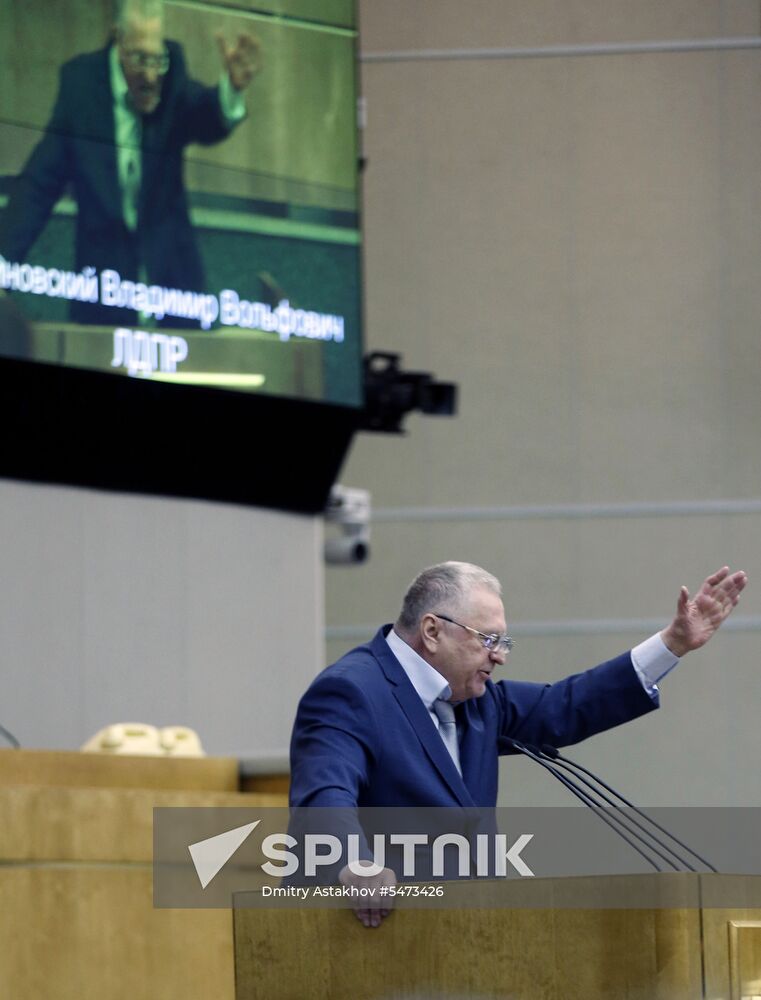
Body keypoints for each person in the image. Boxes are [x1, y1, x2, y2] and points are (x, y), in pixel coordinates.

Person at [289, 561, 747, 927]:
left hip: (475, 939)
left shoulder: (477, 700)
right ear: (432, 631)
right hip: (370, 940)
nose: (500, 655)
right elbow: (324, 796)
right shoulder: (351, 692)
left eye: (503, 641)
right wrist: (356, 866)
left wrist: (672, 644)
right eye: (489, 639)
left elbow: (566, 705)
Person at [0, 0, 261, 327]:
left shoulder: (173, 70)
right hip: (105, 293)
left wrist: (230, 91)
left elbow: (202, 117)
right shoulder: (81, 85)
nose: (151, 76)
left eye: (157, 59)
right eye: (139, 60)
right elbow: (39, 184)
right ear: (117, 39)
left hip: (174, 288)